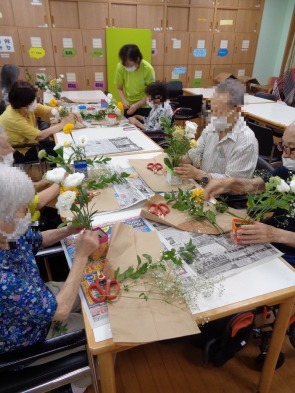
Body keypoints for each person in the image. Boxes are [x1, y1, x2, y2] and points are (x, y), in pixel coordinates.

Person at [0, 166, 99, 388]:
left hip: (38, 297)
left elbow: (37, 239)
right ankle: (77, 385)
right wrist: (81, 255)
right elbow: (59, 311)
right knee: (102, 335)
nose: (28, 213)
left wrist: (68, 230)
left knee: (93, 296)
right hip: (27, 341)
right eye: (23, 209)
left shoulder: (9, 230)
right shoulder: (2, 280)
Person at [204, 122, 295, 266]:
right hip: (270, 241)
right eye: (283, 146)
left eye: (291, 149)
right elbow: (253, 185)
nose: (284, 154)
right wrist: (228, 182)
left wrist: (275, 234)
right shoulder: (287, 171)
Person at [173, 79, 258, 185]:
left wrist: (199, 175)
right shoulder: (213, 128)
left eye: (219, 112)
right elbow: (196, 153)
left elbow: (232, 184)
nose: (213, 116)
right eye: (212, 110)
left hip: (225, 198)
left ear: (238, 110)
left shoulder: (246, 141)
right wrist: (182, 160)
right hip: (203, 186)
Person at [0, 80, 82, 163]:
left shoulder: (25, 107)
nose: (36, 100)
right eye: (34, 99)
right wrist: (63, 123)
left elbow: (49, 111)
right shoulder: (13, 118)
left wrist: (69, 113)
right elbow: (40, 136)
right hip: (18, 150)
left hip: (31, 142)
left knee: (61, 146)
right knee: (57, 153)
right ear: (24, 105)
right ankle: (58, 173)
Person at [114, 44, 155, 118]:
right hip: (129, 107)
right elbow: (119, 88)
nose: (126, 67)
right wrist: (124, 101)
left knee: (144, 128)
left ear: (137, 59)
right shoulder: (120, 66)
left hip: (145, 106)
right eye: (124, 64)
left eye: (129, 64)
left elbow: (151, 93)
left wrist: (137, 104)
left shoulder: (148, 69)